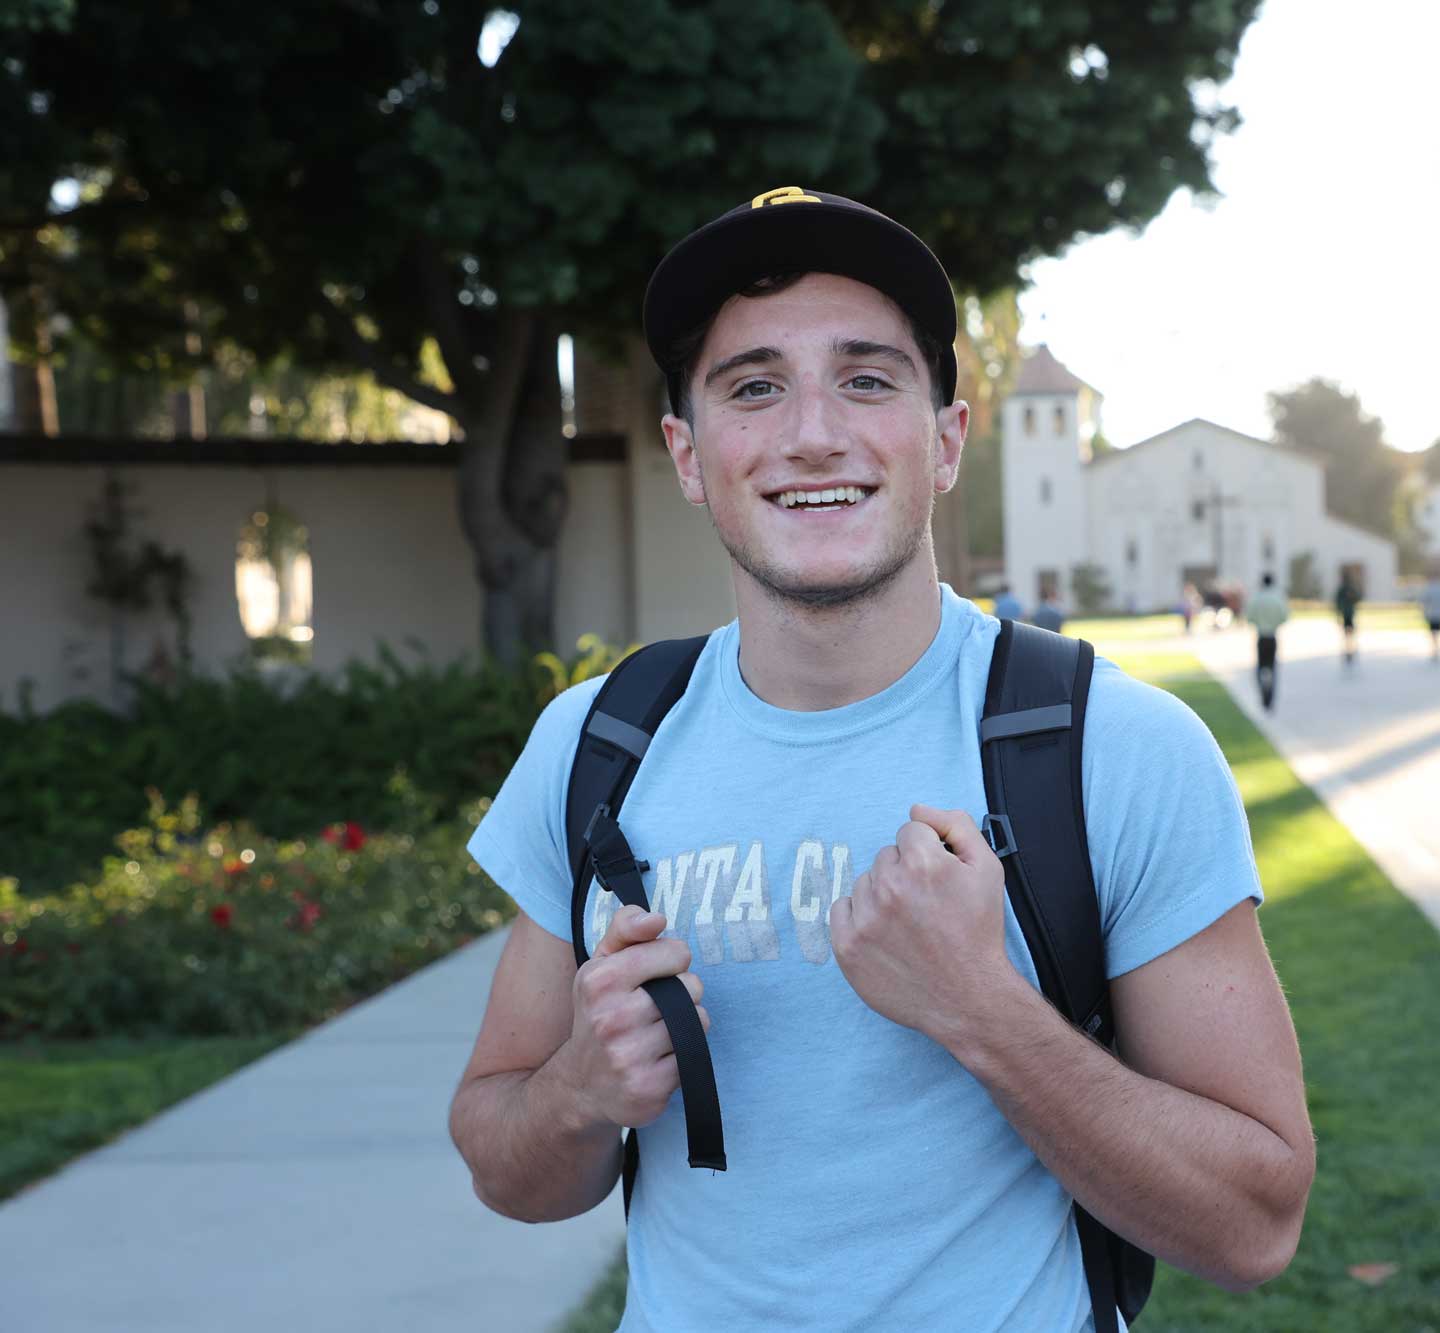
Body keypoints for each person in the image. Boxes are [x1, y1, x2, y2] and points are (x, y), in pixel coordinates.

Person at [446, 187, 1313, 1331]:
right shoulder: (597, 743)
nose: (813, 432)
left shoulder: (1118, 749)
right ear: (688, 453)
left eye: (866, 378)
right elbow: (508, 1168)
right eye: (753, 387)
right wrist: (577, 1091)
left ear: (944, 440)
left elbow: (1253, 1227)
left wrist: (978, 1009)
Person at [1245, 572, 1289, 711]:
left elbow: (1249, 617)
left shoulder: (1256, 599)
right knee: (1272, 667)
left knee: (1261, 667)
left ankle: (1263, 696)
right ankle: (1270, 698)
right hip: (1272, 636)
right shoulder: (1277, 599)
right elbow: (1284, 617)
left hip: (1261, 636)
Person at [1332, 569, 1361, 669]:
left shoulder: (1349, 589)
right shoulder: (1344, 590)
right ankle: (1348, 651)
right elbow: (1338, 602)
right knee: (1347, 634)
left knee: (1349, 634)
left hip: (1349, 614)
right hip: (1346, 614)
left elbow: (1357, 599)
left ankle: (1350, 650)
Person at [1420, 574, 1440, 662]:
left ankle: (1435, 649)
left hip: (1433, 614)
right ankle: (1436, 649)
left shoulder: (1430, 589)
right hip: (1437, 614)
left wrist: (1424, 612)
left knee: (1434, 633)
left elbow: (1424, 602)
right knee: (1436, 632)